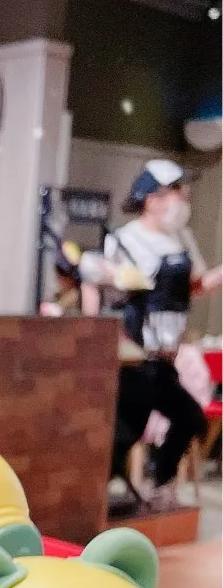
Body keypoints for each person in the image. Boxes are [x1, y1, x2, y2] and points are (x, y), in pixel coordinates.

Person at [92, 160, 223, 508]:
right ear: (151, 199)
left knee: (189, 417)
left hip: (167, 357)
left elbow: (196, 285)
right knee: (126, 431)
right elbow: (110, 292)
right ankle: (96, 498)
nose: (185, 200)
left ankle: (160, 487)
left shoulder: (182, 239)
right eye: (178, 193)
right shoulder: (125, 239)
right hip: (136, 356)